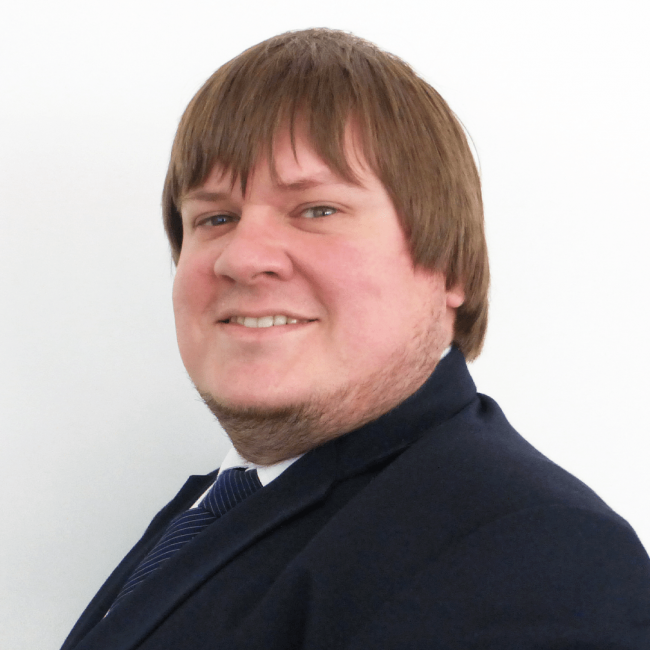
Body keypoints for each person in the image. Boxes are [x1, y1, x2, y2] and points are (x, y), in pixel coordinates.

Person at [61, 28, 650, 650]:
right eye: (216, 218)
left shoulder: (536, 555)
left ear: (449, 266)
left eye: (317, 210)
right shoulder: (219, 506)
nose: (242, 257)